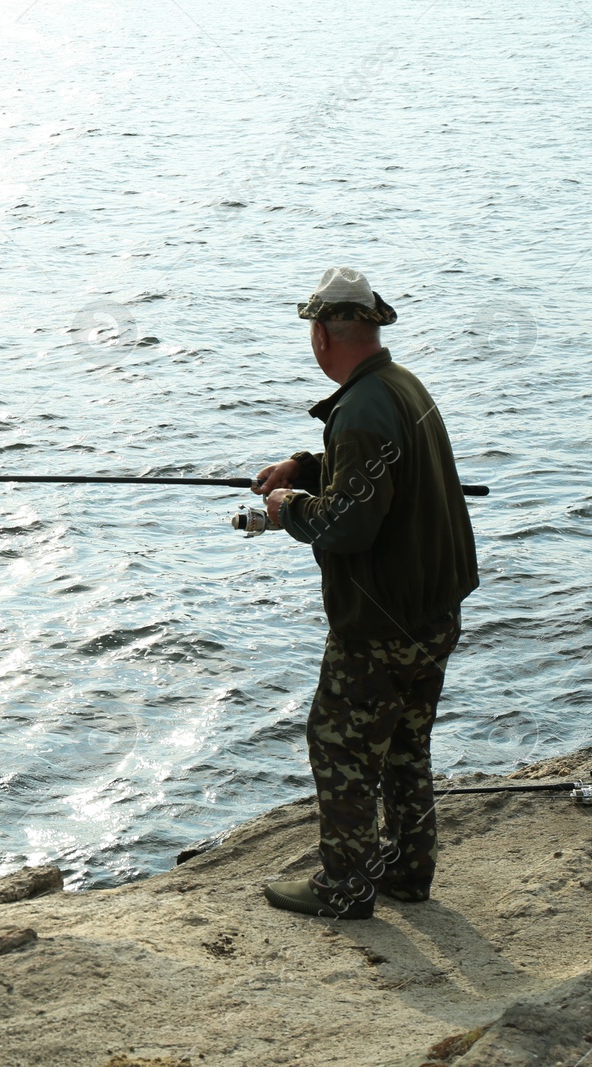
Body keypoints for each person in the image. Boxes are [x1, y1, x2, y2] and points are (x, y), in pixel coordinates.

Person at [252, 267, 479, 920]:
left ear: (325, 334)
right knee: (406, 744)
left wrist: (288, 506)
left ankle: (345, 886)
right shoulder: (401, 386)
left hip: (381, 625)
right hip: (432, 613)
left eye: (311, 330)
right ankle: (407, 872)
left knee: (339, 743)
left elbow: (347, 525)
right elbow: (378, 474)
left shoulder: (360, 409)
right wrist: (308, 464)